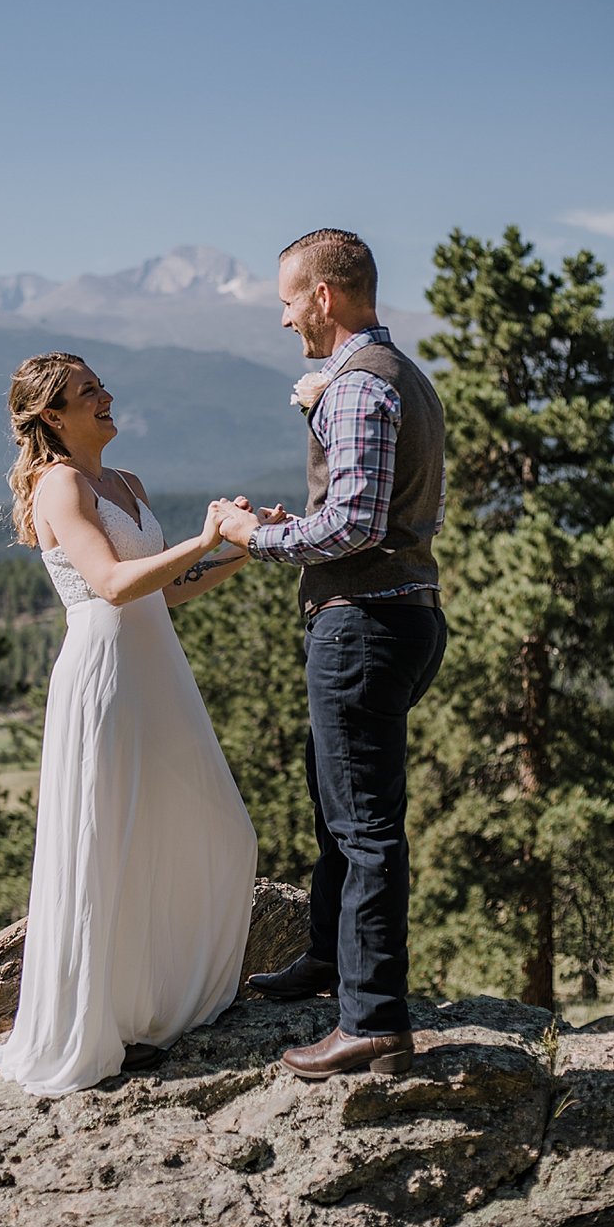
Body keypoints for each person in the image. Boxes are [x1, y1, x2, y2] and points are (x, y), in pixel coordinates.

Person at [0, 350, 261, 1096]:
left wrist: (240, 549)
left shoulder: (126, 483)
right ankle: (100, 1026)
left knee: (220, 831)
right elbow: (111, 586)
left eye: (100, 386)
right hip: (104, 679)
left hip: (158, 676)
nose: (106, 397)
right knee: (107, 843)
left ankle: (158, 1009)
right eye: (87, 392)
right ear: (52, 414)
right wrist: (204, 538)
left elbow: (163, 592)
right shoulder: (58, 486)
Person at [216, 229, 447, 1081]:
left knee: (362, 825)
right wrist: (290, 531)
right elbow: (378, 513)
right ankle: (327, 958)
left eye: (287, 301)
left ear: (324, 297)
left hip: (363, 626)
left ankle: (374, 1022)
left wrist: (254, 538)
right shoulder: (402, 379)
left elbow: (352, 525)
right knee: (336, 804)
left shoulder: (357, 390)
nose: (283, 320)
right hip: (401, 612)